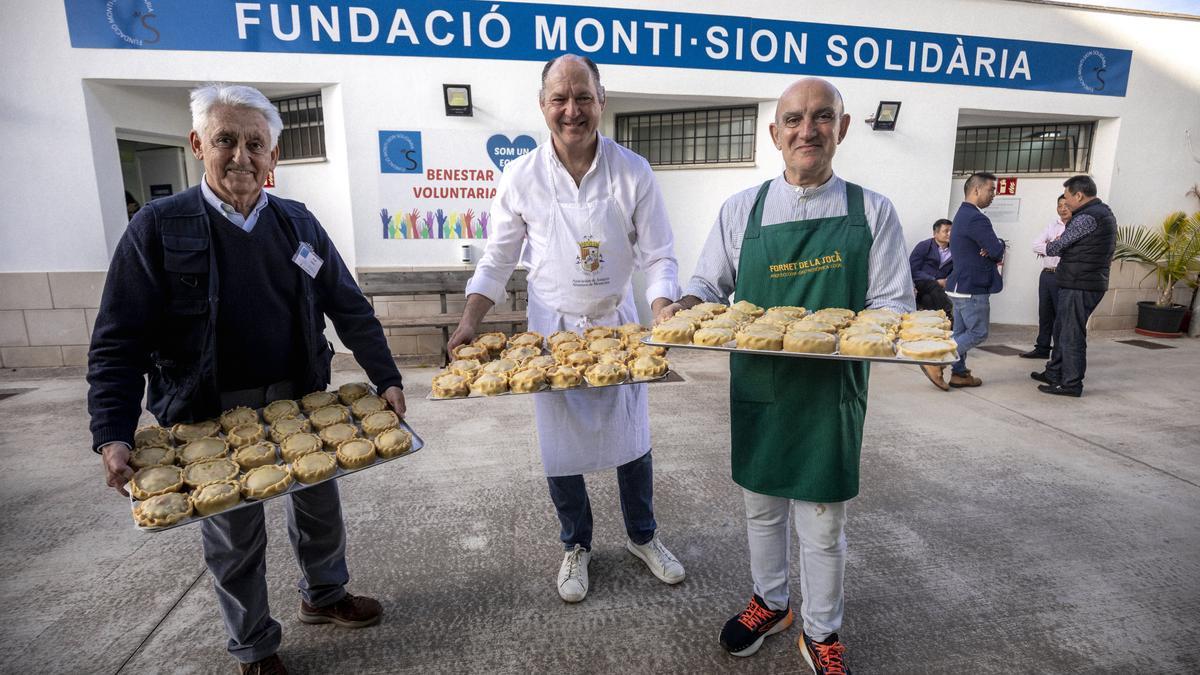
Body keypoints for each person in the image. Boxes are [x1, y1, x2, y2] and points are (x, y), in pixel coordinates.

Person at [87, 83, 405, 675]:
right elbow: (118, 338)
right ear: (197, 144)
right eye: (225, 140)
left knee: (319, 511)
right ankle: (254, 646)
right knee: (234, 538)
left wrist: (385, 375)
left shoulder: (297, 224)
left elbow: (348, 304)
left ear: (273, 157)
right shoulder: (158, 228)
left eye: (254, 144)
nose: (240, 156)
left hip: (301, 399)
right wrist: (112, 431)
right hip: (208, 410)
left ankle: (325, 595)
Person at [667, 77, 914, 674]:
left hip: (832, 392)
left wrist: (870, 334)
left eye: (822, 117)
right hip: (760, 386)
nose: (809, 130)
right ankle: (770, 603)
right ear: (774, 134)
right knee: (761, 506)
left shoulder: (871, 211)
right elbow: (708, 286)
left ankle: (822, 630)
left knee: (823, 519)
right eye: (795, 120)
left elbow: (893, 304)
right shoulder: (741, 210)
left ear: (843, 128)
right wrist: (680, 307)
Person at [448, 55, 685, 604]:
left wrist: (665, 308)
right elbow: (498, 258)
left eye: (583, 97)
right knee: (560, 448)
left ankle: (643, 536)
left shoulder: (633, 171)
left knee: (633, 439)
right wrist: (467, 323)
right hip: (550, 332)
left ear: (602, 101)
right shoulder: (522, 176)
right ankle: (575, 544)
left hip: (618, 326)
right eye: (560, 98)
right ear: (543, 105)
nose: (572, 110)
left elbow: (659, 254)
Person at [1032, 175, 1117, 397]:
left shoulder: (1086, 217)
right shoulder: (1102, 212)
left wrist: (1051, 245)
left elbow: (1056, 246)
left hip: (1080, 283)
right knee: (1062, 329)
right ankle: (1054, 373)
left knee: (1071, 334)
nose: (1065, 203)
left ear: (1079, 195)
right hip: (1080, 280)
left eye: (1067, 197)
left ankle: (1071, 384)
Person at [922, 172, 1005, 390]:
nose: (994, 194)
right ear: (976, 190)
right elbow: (996, 250)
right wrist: (999, 245)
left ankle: (959, 374)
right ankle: (936, 360)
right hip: (972, 287)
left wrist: (990, 248)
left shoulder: (961, 214)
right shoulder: (977, 217)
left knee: (960, 333)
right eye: (991, 189)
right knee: (978, 332)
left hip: (958, 286)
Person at [1020, 196, 1071, 359]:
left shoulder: (1076, 226)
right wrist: (1054, 245)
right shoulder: (1052, 225)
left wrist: (1051, 245)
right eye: (1059, 205)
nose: (1062, 209)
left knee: (1060, 315)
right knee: (1045, 312)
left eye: (1066, 205)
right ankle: (1042, 348)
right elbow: (1036, 245)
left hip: (1063, 275)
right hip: (1047, 274)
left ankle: (1059, 352)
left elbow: (1068, 250)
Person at [909, 218, 954, 314]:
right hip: (921, 282)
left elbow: (956, 270)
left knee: (927, 299)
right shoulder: (924, 246)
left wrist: (948, 280)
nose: (950, 234)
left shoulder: (955, 250)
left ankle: (939, 321)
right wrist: (934, 280)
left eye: (951, 231)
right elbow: (912, 269)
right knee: (933, 285)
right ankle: (948, 311)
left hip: (938, 289)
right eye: (946, 231)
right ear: (935, 233)